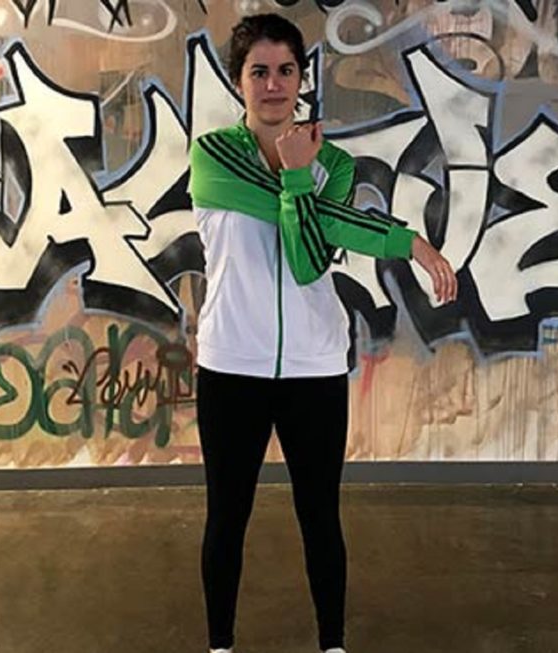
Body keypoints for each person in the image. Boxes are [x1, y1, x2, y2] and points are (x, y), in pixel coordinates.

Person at [187, 13, 458, 653]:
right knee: (227, 517)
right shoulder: (213, 154)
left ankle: (332, 643)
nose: (273, 84)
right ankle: (220, 644)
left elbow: (309, 258)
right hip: (232, 364)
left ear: (301, 78)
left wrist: (305, 180)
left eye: (286, 70)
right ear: (238, 81)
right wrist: (297, 180)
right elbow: (321, 229)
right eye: (259, 72)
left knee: (320, 515)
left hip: (314, 365)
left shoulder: (331, 163)